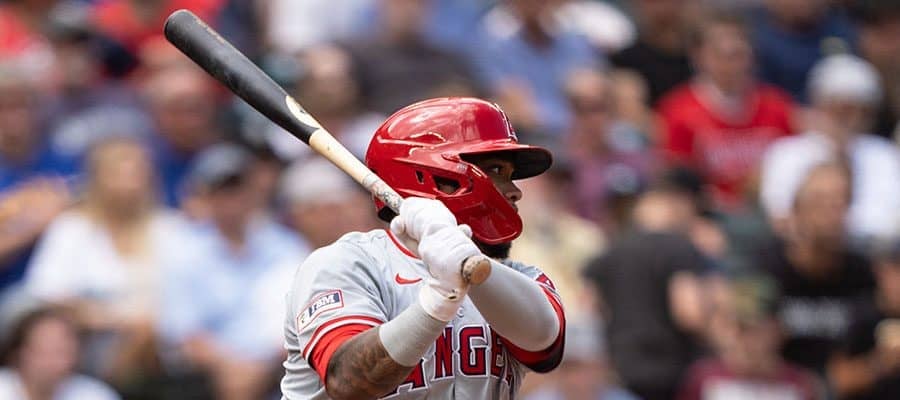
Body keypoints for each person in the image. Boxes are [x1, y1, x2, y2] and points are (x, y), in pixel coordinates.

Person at [281, 97, 565, 399]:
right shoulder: (348, 263)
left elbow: (545, 345)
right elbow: (350, 382)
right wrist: (437, 301)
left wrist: (466, 264)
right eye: (495, 170)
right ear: (436, 177)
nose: (515, 191)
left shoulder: (520, 278)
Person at [23, 137, 184, 384]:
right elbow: (48, 295)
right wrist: (116, 320)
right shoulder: (71, 228)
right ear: (96, 180)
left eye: (136, 174)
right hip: (86, 346)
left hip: (162, 347)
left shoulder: (172, 229)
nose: (129, 185)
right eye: (118, 175)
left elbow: (187, 298)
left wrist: (146, 327)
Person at [160, 143, 306, 400]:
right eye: (221, 191)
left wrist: (260, 369)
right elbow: (183, 333)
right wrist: (231, 367)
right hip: (208, 379)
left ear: (254, 192)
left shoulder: (286, 246)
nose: (231, 200)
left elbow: (300, 320)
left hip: (277, 369)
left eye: (237, 188)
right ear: (205, 197)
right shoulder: (184, 251)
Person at [657, 11, 795, 211]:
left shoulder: (777, 106)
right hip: (709, 213)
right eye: (719, 54)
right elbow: (677, 181)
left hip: (769, 210)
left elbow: (791, 166)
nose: (730, 65)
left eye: (737, 54)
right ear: (698, 56)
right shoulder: (679, 111)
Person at [760, 54, 900, 242]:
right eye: (844, 110)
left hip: (874, 251)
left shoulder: (883, 153)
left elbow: (890, 219)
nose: (854, 119)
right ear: (821, 105)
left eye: (864, 111)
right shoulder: (786, 152)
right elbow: (780, 215)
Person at [758, 163, 875, 376]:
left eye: (840, 203)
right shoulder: (766, 267)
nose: (832, 213)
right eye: (821, 202)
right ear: (797, 211)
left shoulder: (863, 274)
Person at [677, 276, 823, 400]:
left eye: (753, 329)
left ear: (778, 330)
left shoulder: (801, 385)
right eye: (736, 326)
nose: (742, 338)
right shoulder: (702, 380)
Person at [828, 241, 900, 400]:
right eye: (896, 271)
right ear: (881, 272)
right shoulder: (861, 315)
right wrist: (882, 362)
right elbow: (840, 381)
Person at [0, 306, 121, 400]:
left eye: (63, 352)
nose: (55, 363)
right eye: (45, 351)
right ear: (18, 353)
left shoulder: (96, 395)